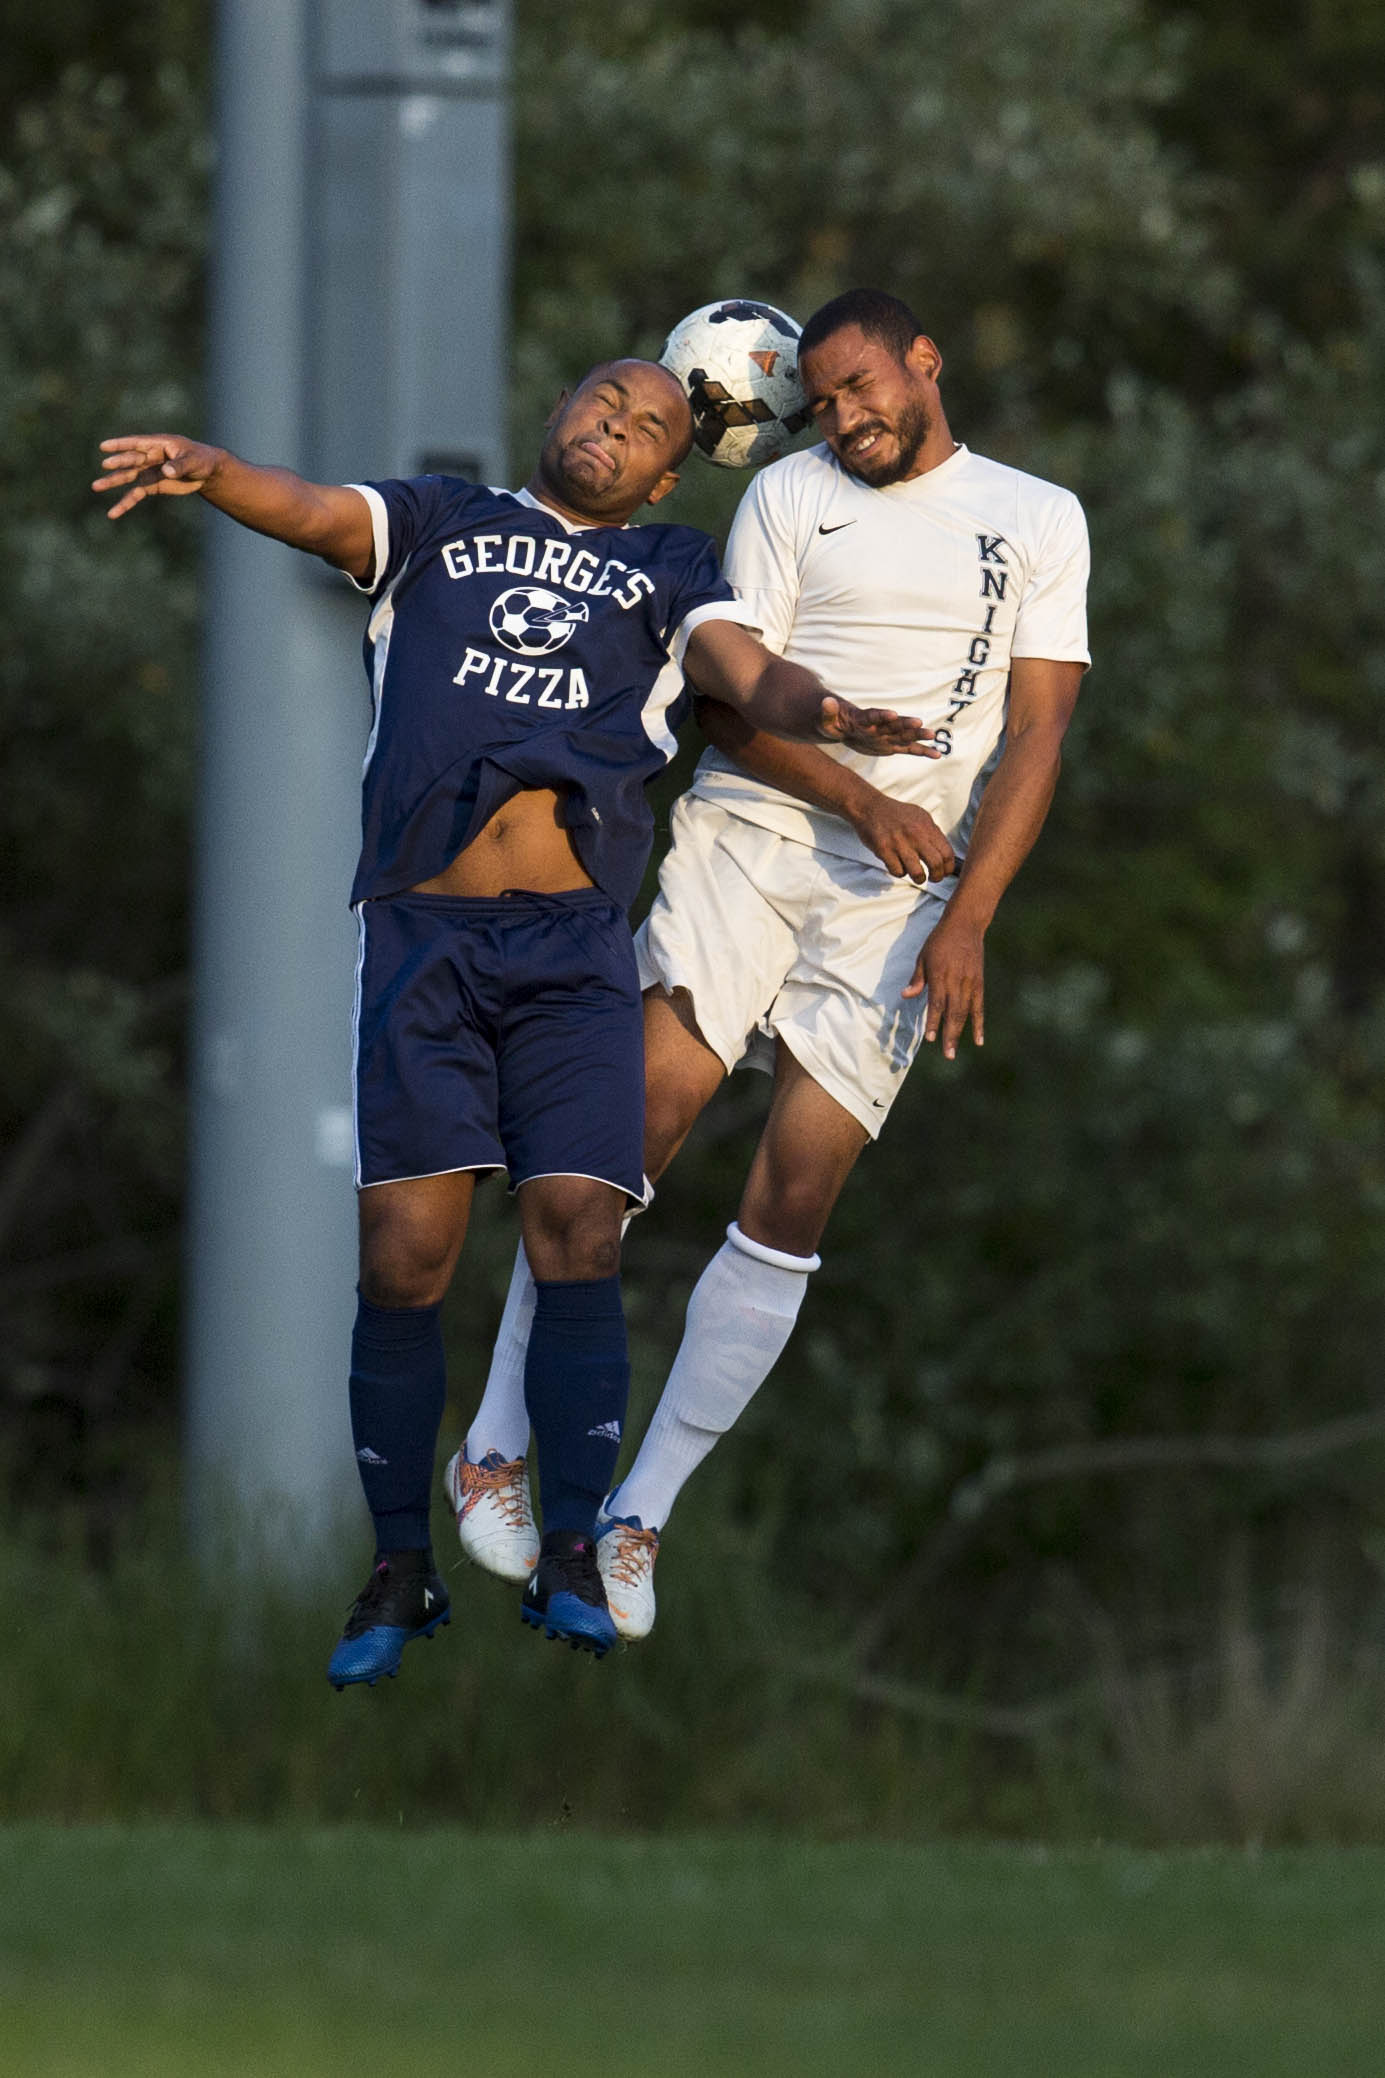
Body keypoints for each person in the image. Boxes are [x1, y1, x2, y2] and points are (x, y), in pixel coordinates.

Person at [93, 356, 928, 1682]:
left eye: (648, 423)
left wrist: (820, 710)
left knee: (582, 1224)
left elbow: (742, 671)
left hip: (571, 952)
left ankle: (575, 1546)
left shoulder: (666, 562)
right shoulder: (443, 522)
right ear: (559, 412)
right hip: (422, 939)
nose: (613, 425)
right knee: (404, 1258)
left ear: (670, 469)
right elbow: (313, 509)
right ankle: (398, 1566)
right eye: (601, 400)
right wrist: (215, 471)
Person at [455, 291, 1091, 1641]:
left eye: (860, 387)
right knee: (627, 1129)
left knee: (796, 1193)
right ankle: (497, 1440)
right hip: (759, 837)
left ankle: (637, 1516)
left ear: (923, 360)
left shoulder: (1038, 516)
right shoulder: (789, 498)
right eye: (822, 401)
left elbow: (1036, 736)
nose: (843, 416)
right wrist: (859, 798)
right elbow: (728, 712)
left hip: (906, 900)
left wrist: (971, 914)